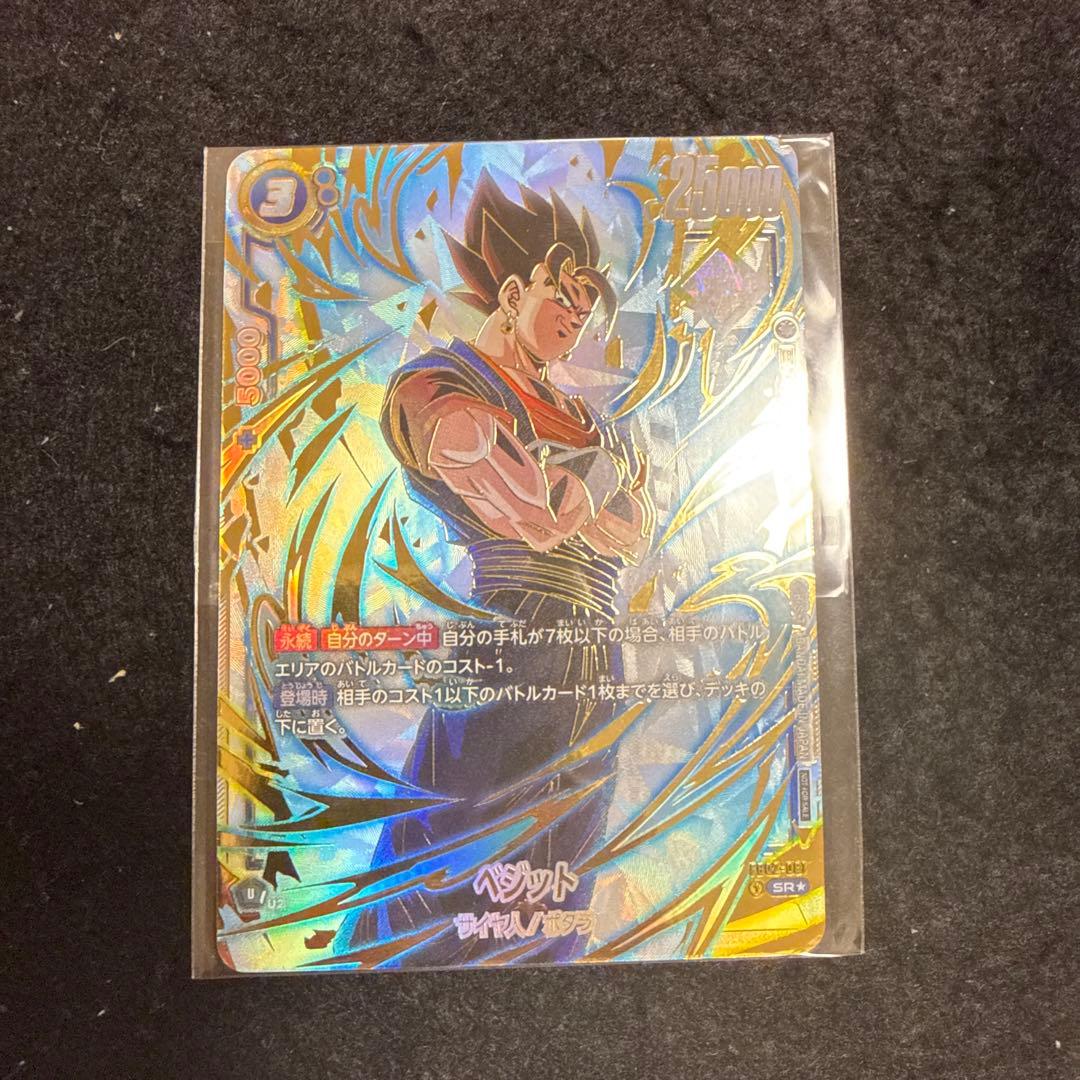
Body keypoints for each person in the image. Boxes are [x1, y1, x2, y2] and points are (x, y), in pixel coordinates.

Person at [357, 171, 654, 965]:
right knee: (449, 861)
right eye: (563, 300)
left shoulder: (585, 417)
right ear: (515, 292)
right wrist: (605, 475)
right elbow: (539, 514)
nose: (574, 322)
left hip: (595, 657)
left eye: (585, 313)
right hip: (512, 639)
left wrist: (594, 484)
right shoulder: (438, 385)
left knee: (558, 888)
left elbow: (628, 532)